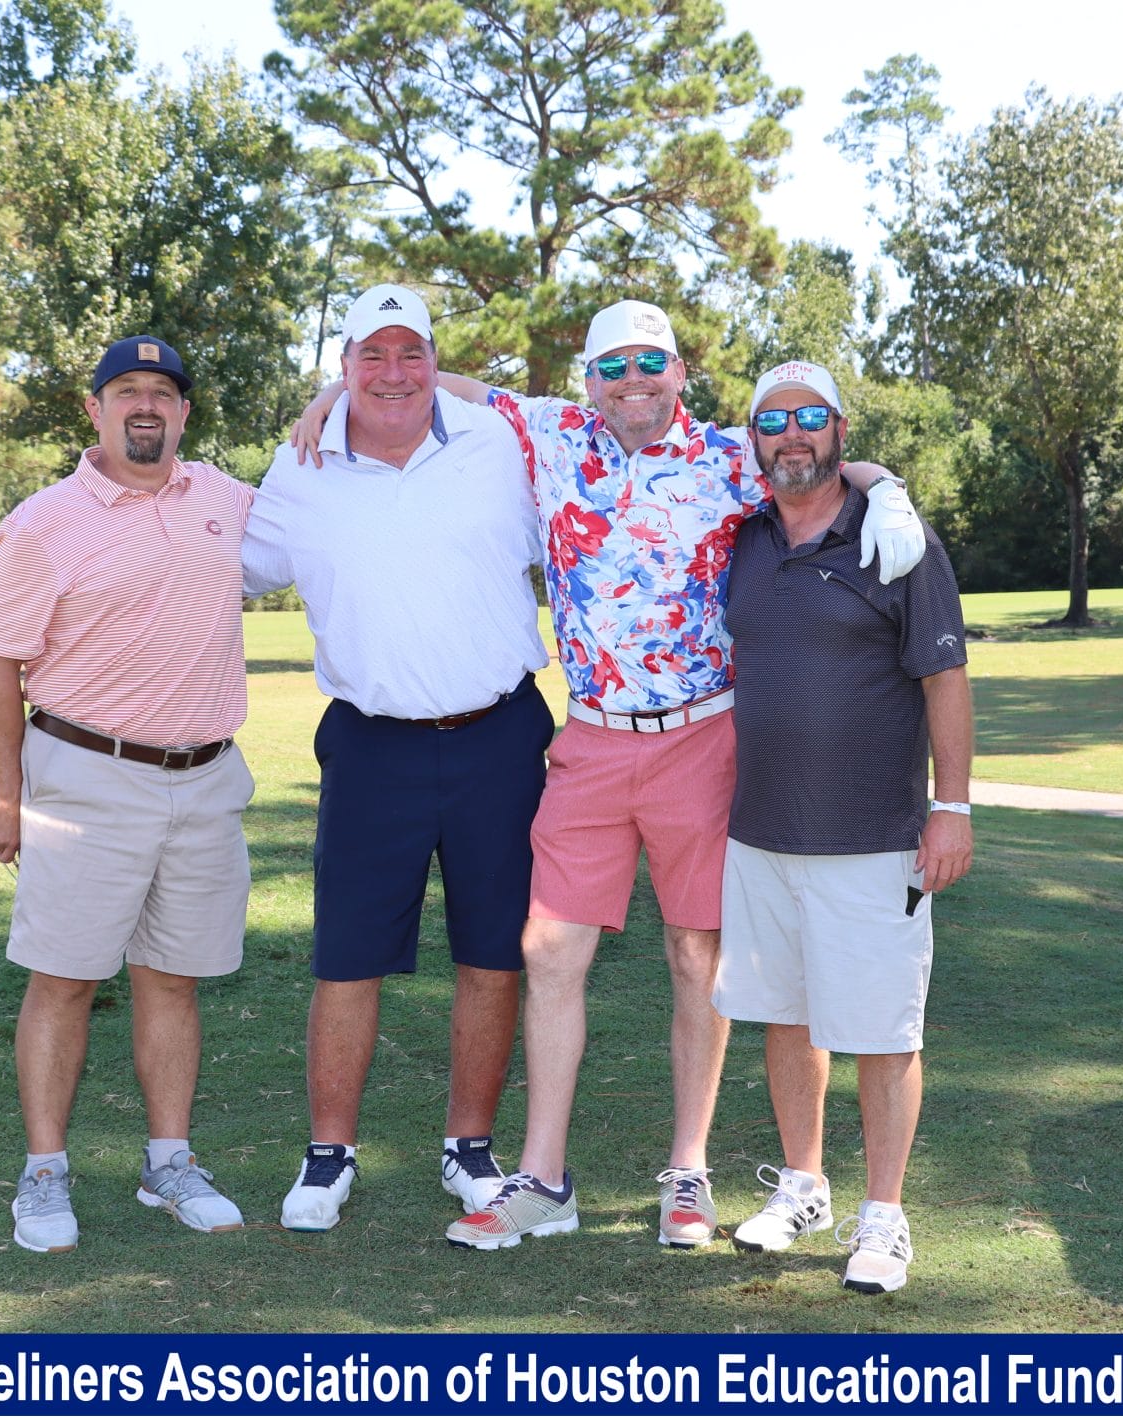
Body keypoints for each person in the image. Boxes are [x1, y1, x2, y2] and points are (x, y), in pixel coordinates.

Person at [290, 299, 926, 1252]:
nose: (633, 381)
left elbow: (828, 467)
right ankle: (545, 1180)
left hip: (701, 737)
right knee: (548, 951)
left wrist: (889, 488)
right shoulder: (549, 434)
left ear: (680, 373)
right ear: (588, 380)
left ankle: (688, 1172)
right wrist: (334, 393)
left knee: (696, 955)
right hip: (587, 739)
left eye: (650, 363)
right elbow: (438, 383)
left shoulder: (729, 456)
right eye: (613, 366)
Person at [241, 285, 553, 1231]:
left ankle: (470, 1148)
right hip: (371, 745)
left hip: (501, 734)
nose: (392, 372)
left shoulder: (502, 443)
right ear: (342, 367)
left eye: (409, 352)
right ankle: (328, 1156)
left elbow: (587, 438)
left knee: (493, 953)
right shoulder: (300, 466)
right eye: (369, 355)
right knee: (348, 957)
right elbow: (227, 563)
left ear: (434, 361)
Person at [0, 334, 256, 1252]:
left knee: (172, 978)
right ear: (94, 410)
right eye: (126, 390)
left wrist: (331, 401)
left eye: (163, 392)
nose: (145, 405)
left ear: (184, 412)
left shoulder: (224, 499)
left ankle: (168, 1161)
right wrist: (7, 795)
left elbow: (326, 493)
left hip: (206, 779)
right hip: (86, 778)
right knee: (63, 979)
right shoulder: (44, 522)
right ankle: (44, 1174)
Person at [713, 359, 974, 1294]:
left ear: (840, 430)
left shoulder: (897, 541)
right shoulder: (741, 536)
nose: (793, 435)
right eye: (773, 420)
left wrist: (952, 808)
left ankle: (885, 1215)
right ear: (753, 438)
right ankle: (804, 1186)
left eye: (811, 417)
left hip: (874, 838)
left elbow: (945, 678)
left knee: (882, 1030)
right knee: (787, 1016)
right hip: (761, 833)